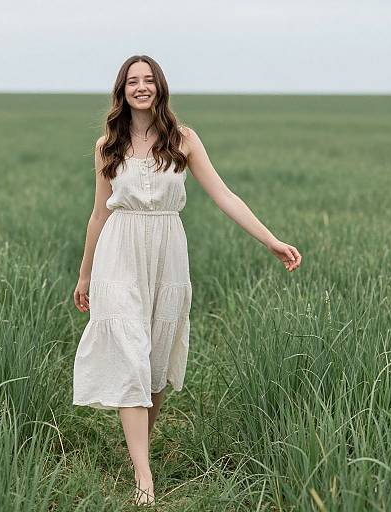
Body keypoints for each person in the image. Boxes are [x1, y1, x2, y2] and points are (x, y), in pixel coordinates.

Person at [72, 55, 302, 506]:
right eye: (132, 81)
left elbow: (224, 195)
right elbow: (98, 215)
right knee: (130, 354)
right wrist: (85, 274)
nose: (141, 87)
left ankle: (139, 451)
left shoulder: (184, 140)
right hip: (119, 251)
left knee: (155, 360)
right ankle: (144, 479)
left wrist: (270, 240)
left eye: (149, 80)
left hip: (167, 252)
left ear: (160, 87)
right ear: (122, 91)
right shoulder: (108, 147)